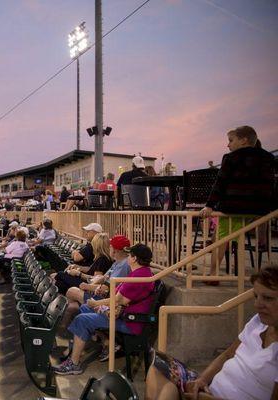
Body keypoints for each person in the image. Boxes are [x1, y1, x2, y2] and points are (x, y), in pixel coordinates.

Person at [145, 265, 278, 400]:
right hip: (210, 389)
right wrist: (202, 380)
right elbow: (227, 355)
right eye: (256, 296)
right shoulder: (258, 322)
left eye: (267, 298)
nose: (257, 304)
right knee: (158, 368)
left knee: (165, 390)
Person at [52, 244, 155, 375]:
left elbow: (120, 300)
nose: (127, 257)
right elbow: (118, 296)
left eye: (129, 255)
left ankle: (74, 364)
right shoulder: (141, 273)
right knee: (84, 308)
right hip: (125, 316)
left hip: (129, 321)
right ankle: (105, 342)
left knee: (82, 319)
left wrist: (96, 303)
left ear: (134, 258)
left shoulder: (139, 276)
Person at [200, 126, 277, 282]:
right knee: (231, 234)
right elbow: (273, 183)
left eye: (231, 140)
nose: (228, 145)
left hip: (234, 207)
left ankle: (213, 274)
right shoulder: (268, 158)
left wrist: (209, 205)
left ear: (243, 140)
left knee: (222, 238)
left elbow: (220, 184)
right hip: (261, 210)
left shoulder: (231, 158)